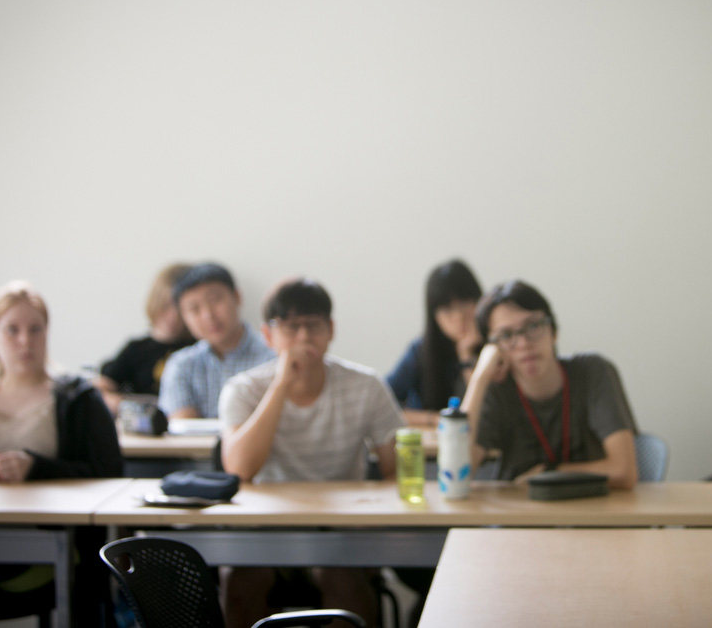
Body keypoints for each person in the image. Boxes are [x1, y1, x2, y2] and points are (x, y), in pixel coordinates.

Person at [0, 280, 123, 625]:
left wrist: (37, 468)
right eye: (12, 330)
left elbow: (110, 474)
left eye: (35, 329)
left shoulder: (78, 399)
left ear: (47, 334)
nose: (25, 341)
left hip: (46, 551)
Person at [218, 277, 405, 628]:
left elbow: (398, 470)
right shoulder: (244, 389)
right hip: (266, 531)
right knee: (238, 581)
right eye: (290, 327)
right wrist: (281, 385)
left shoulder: (366, 385)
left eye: (313, 325)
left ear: (331, 329)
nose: (303, 337)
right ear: (268, 335)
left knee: (342, 578)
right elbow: (239, 469)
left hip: (340, 530)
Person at [461, 280, 638, 489]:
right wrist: (479, 378)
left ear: (553, 331)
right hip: (517, 507)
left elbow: (624, 472)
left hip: (591, 506)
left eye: (533, 326)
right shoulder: (497, 390)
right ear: (493, 348)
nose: (524, 343)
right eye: (506, 335)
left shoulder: (592, 372)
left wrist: (551, 473)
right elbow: (456, 475)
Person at [158, 262, 273, 420]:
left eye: (215, 300)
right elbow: (183, 427)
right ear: (183, 317)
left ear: (237, 297)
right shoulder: (181, 366)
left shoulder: (273, 354)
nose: (208, 315)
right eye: (194, 309)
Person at [385, 259, 483, 426]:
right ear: (434, 316)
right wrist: (435, 419)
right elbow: (382, 404)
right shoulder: (421, 351)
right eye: (447, 309)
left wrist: (466, 355)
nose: (459, 316)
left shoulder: (495, 348)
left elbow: (486, 412)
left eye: (465, 303)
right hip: (431, 441)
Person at [94, 262, 195, 413]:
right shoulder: (136, 349)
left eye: (181, 308)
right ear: (156, 301)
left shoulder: (197, 348)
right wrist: (126, 406)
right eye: (166, 305)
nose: (173, 316)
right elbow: (100, 388)